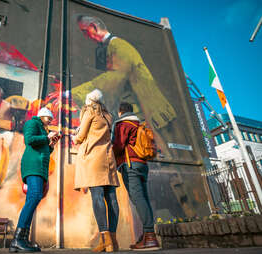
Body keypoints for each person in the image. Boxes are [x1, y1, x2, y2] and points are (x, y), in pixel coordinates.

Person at [71, 15, 197, 161]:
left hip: (157, 118)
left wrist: (73, 93)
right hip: (152, 118)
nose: (86, 37)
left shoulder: (118, 46)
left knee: (175, 161)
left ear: (93, 27)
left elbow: (117, 76)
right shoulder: (113, 47)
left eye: (85, 32)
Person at [72, 89, 120, 252]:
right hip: (108, 159)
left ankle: (105, 241)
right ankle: (113, 241)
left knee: (97, 196)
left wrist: (75, 137)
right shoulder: (108, 115)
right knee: (112, 198)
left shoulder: (89, 112)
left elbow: (81, 136)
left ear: (89, 101)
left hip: (93, 158)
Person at [10, 107, 60, 253]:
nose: (50, 121)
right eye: (49, 118)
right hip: (33, 166)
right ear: (42, 116)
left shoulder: (43, 130)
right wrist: (47, 137)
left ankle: (22, 240)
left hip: (40, 167)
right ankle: (18, 239)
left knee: (33, 198)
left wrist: (51, 144)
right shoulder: (32, 123)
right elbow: (29, 140)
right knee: (34, 197)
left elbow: (44, 150)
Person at [112, 102, 159, 250]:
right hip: (143, 165)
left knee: (138, 199)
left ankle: (150, 236)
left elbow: (118, 146)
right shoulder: (139, 124)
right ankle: (147, 236)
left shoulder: (123, 124)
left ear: (120, 112)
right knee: (143, 199)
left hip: (130, 165)